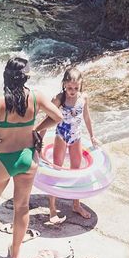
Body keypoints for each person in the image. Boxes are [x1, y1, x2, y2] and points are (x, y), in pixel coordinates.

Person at [0, 57, 63, 258]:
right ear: (26, 77)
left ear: (6, 76)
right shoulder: (36, 97)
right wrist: (37, 128)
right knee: (22, 206)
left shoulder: (0, 101)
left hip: (2, 160)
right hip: (27, 157)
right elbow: (58, 117)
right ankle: (15, 252)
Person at [46, 66, 100, 226]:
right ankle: (52, 208)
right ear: (64, 84)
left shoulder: (83, 98)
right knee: (57, 170)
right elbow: (47, 119)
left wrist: (92, 136)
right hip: (61, 136)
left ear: (81, 85)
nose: (72, 91)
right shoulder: (59, 98)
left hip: (76, 137)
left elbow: (87, 118)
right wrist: (38, 138)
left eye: (76, 88)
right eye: (69, 87)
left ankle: (76, 204)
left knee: (76, 171)